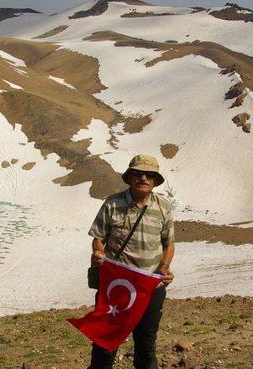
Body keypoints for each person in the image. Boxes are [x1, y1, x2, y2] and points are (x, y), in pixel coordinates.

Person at [88, 154, 175, 369]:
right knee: (104, 345)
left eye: (149, 174)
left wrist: (164, 266)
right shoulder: (112, 203)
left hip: (149, 288)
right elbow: (98, 238)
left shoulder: (163, 207)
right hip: (117, 286)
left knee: (146, 346)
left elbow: (169, 243)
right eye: (137, 173)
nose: (143, 178)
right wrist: (99, 253)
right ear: (130, 177)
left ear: (155, 180)